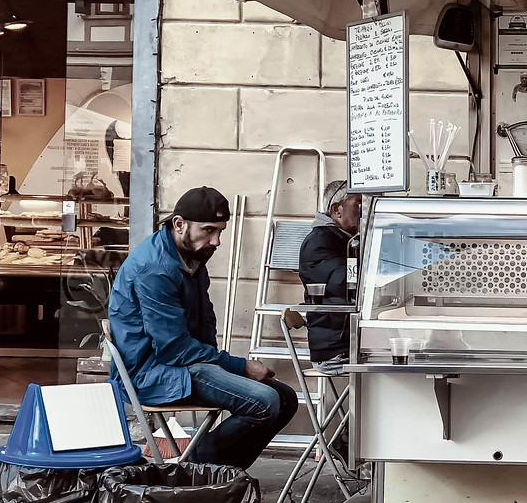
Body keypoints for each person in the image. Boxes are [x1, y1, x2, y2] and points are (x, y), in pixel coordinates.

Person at [109, 186, 297, 469]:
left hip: (183, 364)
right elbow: (173, 348)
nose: (217, 240)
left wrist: (220, 366)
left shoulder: (191, 256)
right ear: (179, 224)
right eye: (208, 230)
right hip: (153, 372)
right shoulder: (155, 269)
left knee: (286, 397)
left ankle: (223, 473)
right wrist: (239, 367)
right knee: (265, 401)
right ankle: (193, 468)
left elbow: (205, 321)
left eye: (220, 231)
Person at [299, 179, 362, 374]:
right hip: (335, 349)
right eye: (358, 204)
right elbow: (347, 282)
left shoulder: (344, 239)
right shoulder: (320, 242)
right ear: (337, 210)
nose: (364, 210)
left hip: (345, 341)